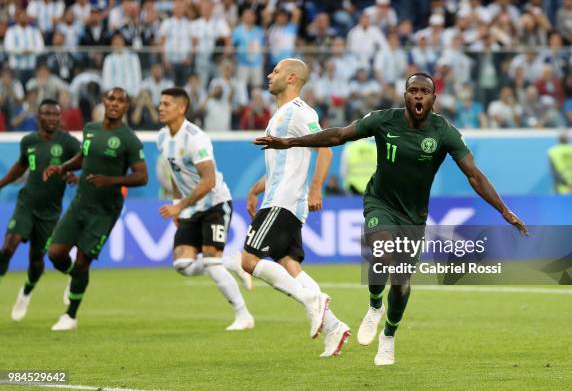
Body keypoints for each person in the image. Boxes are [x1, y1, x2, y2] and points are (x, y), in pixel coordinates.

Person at [254, 72, 528, 365]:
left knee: (400, 281)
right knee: (382, 253)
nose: (419, 96)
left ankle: (388, 336)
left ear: (434, 99)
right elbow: (339, 135)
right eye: (413, 91)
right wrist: (291, 142)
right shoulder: (384, 120)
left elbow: (474, 174)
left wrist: (502, 209)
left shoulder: (443, 132)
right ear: (405, 96)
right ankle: (374, 305)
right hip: (380, 203)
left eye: (425, 92)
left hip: (414, 215)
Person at [242, 58, 351, 358]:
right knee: (290, 265)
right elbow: (281, 166)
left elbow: (325, 149)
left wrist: (316, 188)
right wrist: (254, 189)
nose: (268, 74)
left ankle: (311, 301)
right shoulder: (279, 116)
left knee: (249, 261)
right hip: (279, 199)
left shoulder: (299, 112)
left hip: (283, 202)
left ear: (291, 78)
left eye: (275, 71)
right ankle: (334, 327)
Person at [42, 87, 148, 331]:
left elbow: (142, 177)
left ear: (126, 106)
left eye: (121, 100)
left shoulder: (129, 139)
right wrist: (62, 168)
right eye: (111, 98)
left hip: (105, 210)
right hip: (81, 202)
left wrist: (110, 180)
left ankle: (70, 316)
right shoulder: (91, 129)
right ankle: (73, 277)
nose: (114, 103)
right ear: (104, 101)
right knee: (55, 253)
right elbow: (83, 156)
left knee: (82, 261)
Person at [156, 87, 254, 331]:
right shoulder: (161, 138)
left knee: (211, 260)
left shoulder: (195, 137)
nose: (161, 108)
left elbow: (208, 181)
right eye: (161, 103)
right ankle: (232, 262)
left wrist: (179, 205)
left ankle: (243, 316)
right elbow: (176, 174)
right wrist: (179, 207)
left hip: (215, 203)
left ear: (181, 108)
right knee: (183, 265)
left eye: (167, 104)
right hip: (191, 206)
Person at [0, 99, 80, 321]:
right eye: (47, 114)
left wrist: (72, 176)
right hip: (26, 204)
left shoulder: (68, 143)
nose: (52, 118)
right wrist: (2, 182)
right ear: (39, 117)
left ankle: (26, 291)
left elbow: (82, 162)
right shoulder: (29, 141)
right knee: (8, 246)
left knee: (36, 259)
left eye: (56, 115)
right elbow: (21, 166)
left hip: (50, 212)